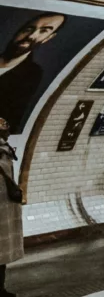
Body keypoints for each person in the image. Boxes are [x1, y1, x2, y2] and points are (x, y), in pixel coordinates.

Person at [0, 12, 66, 132]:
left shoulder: (31, 76)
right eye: (29, 29)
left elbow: (11, 122)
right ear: (19, 30)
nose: (31, 35)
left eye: (43, 31)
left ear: (49, 37)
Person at [0, 118, 22, 297]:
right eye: (4, 131)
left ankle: (0, 289)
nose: (8, 134)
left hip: (5, 207)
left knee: (2, 253)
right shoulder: (4, 151)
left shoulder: (5, 150)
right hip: (3, 207)